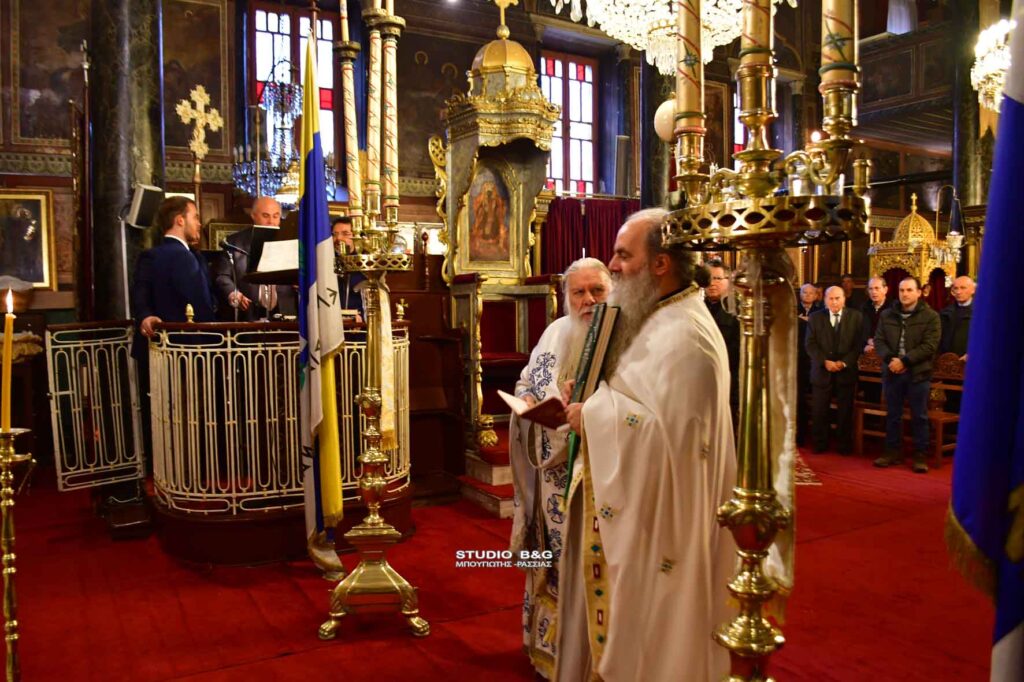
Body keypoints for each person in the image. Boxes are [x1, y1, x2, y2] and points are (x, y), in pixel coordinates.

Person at [558, 208, 735, 681]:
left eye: (622, 255)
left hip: (670, 524)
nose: (612, 267)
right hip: (642, 510)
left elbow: (669, 441)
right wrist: (591, 398)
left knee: (663, 633)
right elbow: (637, 399)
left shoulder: (688, 335)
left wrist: (591, 415)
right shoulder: (657, 315)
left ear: (660, 263)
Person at [508, 257, 612, 679]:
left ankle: (591, 661)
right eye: (578, 292)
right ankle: (551, 651)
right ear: (565, 297)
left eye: (597, 291)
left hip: (597, 476)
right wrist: (528, 405)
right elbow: (527, 382)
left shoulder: (621, 338)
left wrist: (587, 411)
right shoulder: (555, 333)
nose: (587, 301)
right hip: (553, 476)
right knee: (553, 561)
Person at [131, 196, 216, 359]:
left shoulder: (151, 256)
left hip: (159, 350)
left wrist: (145, 316)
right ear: (180, 220)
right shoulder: (185, 257)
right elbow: (202, 304)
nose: (199, 223)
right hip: (189, 351)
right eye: (195, 217)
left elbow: (140, 294)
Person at [872, 277, 941, 473]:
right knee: (893, 415)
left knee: (919, 416)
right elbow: (879, 341)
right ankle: (892, 451)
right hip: (893, 372)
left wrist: (905, 361)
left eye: (909, 290)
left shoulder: (931, 316)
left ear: (919, 292)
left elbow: (929, 346)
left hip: (918, 373)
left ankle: (920, 454)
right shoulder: (887, 315)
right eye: (902, 290)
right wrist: (892, 360)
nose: (905, 294)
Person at [213, 196, 294, 321]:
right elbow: (222, 275)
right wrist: (232, 293)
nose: (271, 222)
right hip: (247, 315)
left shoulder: (290, 242)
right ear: (254, 216)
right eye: (266, 216)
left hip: (284, 315)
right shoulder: (234, 242)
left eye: (276, 216)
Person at [805, 286, 865, 454]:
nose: (834, 302)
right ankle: (820, 444)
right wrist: (825, 361)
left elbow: (858, 345)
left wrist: (843, 363)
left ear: (844, 299)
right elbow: (810, 344)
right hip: (822, 371)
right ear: (824, 300)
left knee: (845, 411)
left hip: (845, 372)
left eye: (837, 298)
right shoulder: (815, 318)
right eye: (830, 298)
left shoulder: (856, 317)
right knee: (819, 410)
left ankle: (844, 445)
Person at [703, 257, 740, 420]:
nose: (712, 283)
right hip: (701, 377)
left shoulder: (738, 309)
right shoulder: (697, 307)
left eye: (717, 278)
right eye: (708, 279)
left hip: (729, 377)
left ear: (729, 281)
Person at [796, 283, 824, 445]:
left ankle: (814, 435)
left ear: (815, 296)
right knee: (798, 397)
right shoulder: (792, 309)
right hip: (798, 358)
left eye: (810, 293)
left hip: (814, 359)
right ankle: (798, 433)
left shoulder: (820, 312)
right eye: (803, 292)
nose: (806, 295)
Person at [331, 216, 365, 322]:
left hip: (359, 327)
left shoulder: (366, 263)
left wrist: (364, 318)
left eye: (346, 234)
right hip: (330, 325)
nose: (339, 238)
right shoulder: (324, 261)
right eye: (334, 234)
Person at [939, 275, 975, 359]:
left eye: (963, 288)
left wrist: (972, 354)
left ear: (973, 290)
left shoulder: (981, 313)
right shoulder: (945, 313)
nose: (958, 292)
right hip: (947, 362)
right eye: (956, 288)